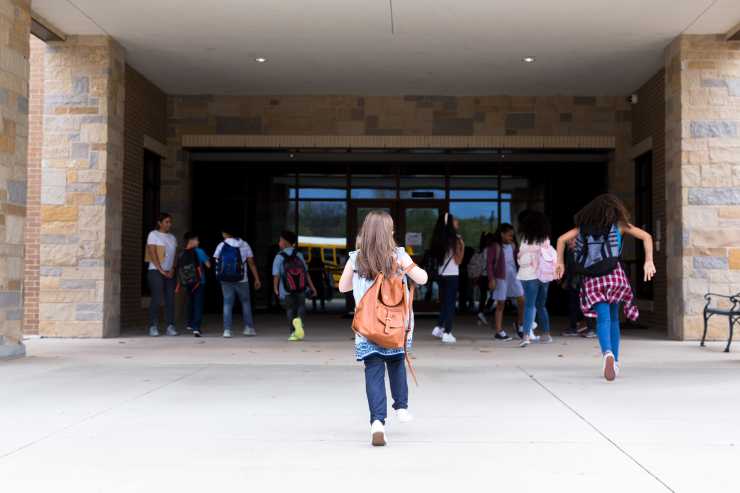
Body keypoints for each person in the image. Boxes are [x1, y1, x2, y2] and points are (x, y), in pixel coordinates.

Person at [338, 210, 428, 446]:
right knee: (397, 362)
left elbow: (343, 288)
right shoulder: (398, 255)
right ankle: (401, 406)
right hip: (395, 325)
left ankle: (377, 423)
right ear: (388, 233)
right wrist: (404, 268)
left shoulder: (356, 258)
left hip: (367, 327)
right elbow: (423, 279)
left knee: (374, 372)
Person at [555, 193, 655, 381]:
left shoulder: (583, 228)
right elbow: (646, 237)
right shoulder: (619, 225)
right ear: (615, 209)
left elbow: (561, 239)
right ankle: (614, 361)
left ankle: (607, 353)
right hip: (614, 275)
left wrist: (560, 262)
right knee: (614, 319)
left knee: (603, 318)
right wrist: (648, 261)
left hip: (593, 277)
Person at [213, 230, 262, 338]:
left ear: (226, 233)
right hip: (242, 279)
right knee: (245, 302)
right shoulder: (244, 244)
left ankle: (227, 330)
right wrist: (257, 279)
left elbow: (217, 261)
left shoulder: (221, 245)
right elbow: (251, 263)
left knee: (227, 303)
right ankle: (248, 328)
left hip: (225, 279)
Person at [517, 211, 554, 347]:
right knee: (541, 305)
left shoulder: (525, 239)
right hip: (544, 275)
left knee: (529, 305)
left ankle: (526, 335)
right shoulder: (546, 239)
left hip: (528, 275)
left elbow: (521, 258)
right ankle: (546, 334)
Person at [272, 230, 317, 341]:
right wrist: (312, 287)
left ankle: (293, 332)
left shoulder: (279, 257)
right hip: (301, 288)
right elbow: (306, 273)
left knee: (290, 309)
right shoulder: (299, 255)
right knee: (301, 306)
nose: (279, 243)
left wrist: (275, 288)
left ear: (284, 242)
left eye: (280, 241)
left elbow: (276, 275)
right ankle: (299, 324)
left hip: (287, 289)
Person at [487, 223, 526, 341]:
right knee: (501, 304)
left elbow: (519, 259)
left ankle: (519, 325)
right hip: (500, 278)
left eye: (512, 236)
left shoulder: (513, 246)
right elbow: (489, 264)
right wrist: (491, 279)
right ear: (502, 234)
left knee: (522, 299)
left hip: (514, 276)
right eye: (509, 236)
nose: (511, 238)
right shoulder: (495, 246)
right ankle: (498, 331)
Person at [430, 213, 464, 344]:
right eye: (455, 220)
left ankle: (439, 327)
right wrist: (462, 246)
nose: (457, 222)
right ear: (450, 223)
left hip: (441, 274)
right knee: (450, 305)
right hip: (452, 275)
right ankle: (447, 332)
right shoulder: (456, 239)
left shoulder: (439, 238)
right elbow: (458, 260)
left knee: (445, 303)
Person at [146, 213, 178, 337]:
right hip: (155, 271)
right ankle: (153, 326)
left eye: (170, 222)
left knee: (170, 299)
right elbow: (152, 252)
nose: (169, 224)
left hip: (169, 272)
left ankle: (170, 326)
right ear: (160, 223)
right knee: (157, 298)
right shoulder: (153, 234)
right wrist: (160, 269)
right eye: (166, 222)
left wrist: (173, 269)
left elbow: (174, 255)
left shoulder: (172, 237)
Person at [561, 237, 596, 338]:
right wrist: (566, 281)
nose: (569, 242)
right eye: (568, 241)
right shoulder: (569, 251)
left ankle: (591, 328)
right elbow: (569, 267)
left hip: (583, 281)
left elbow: (580, 267)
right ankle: (573, 328)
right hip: (573, 282)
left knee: (586, 305)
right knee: (573, 306)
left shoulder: (583, 251)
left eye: (572, 240)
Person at [179, 232, 210, 337]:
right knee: (198, 304)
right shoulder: (199, 251)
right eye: (197, 240)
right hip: (199, 282)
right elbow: (208, 265)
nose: (199, 242)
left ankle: (190, 323)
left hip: (188, 282)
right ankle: (196, 328)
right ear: (191, 241)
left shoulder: (182, 253)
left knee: (190, 302)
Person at [468, 233, 494, 325]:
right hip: (486, 275)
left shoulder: (480, 250)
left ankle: (481, 314)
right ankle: (482, 312)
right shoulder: (489, 250)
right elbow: (487, 264)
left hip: (480, 276)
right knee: (493, 294)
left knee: (484, 295)